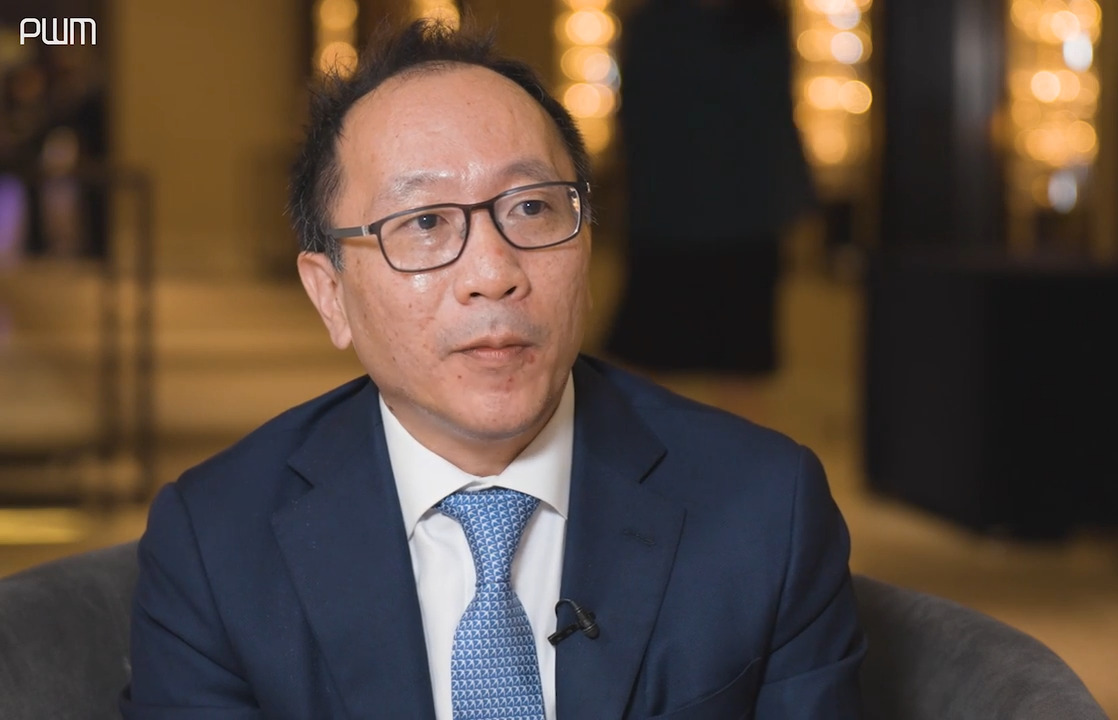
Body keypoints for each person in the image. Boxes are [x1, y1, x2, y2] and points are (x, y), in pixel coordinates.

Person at [122, 20, 864, 720]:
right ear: (330, 295)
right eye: (424, 222)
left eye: (533, 208)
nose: (493, 273)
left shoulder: (767, 510)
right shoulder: (215, 544)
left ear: (587, 246)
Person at [606, 0, 814, 421]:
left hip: (683, 215)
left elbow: (632, 123)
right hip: (717, 217)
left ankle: (649, 458)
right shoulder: (759, 24)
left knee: (660, 366)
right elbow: (779, 119)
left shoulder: (657, 24)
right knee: (733, 368)